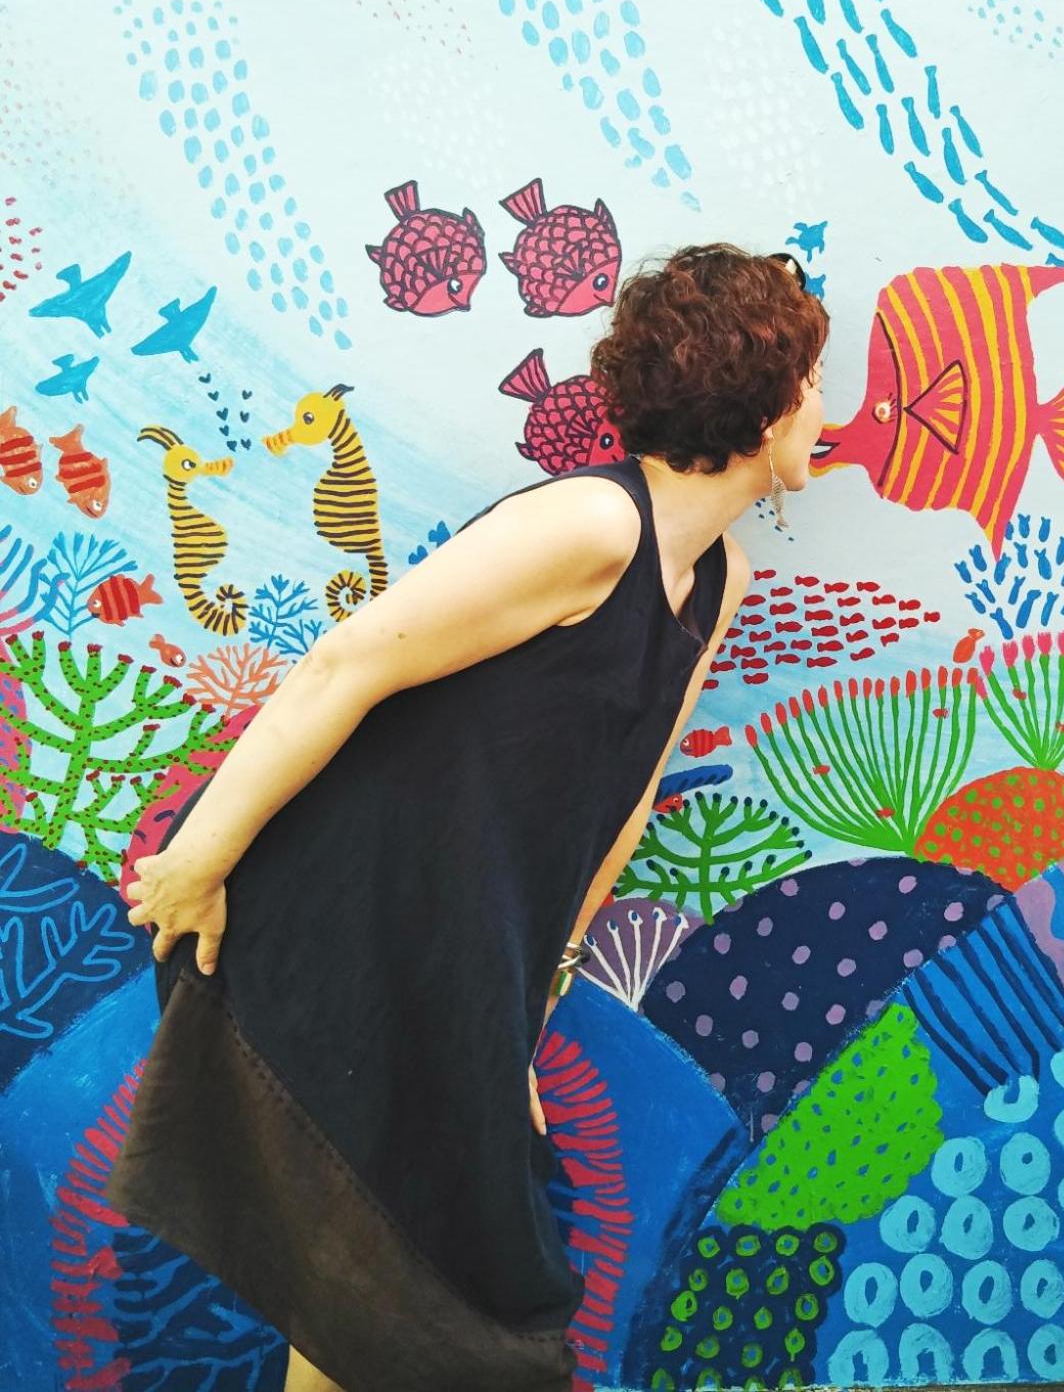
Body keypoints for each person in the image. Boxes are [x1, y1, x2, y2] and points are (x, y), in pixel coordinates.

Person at [105, 243, 829, 1392]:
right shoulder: (592, 526)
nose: (825, 408)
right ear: (763, 397)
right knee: (403, 1292)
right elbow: (344, 664)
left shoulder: (716, 577)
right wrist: (194, 863)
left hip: (451, 962)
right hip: (344, 921)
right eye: (813, 380)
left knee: (366, 1298)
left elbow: (620, 801)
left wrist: (520, 1015)